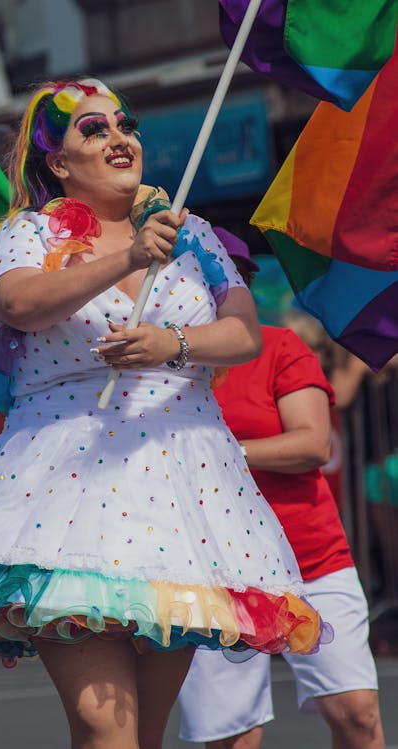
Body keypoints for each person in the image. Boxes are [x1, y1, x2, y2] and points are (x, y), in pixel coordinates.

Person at [0, 80, 323, 749]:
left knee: (142, 735)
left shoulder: (197, 236)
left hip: (184, 490)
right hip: (66, 490)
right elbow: (18, 304)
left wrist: (173, 344)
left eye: (124, 125)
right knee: (105, 728)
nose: (119, 137)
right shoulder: (30, 234)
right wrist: (129, 256)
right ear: (59, 164)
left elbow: (244, 333)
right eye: (93, 129)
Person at [178, 227, 385, 749]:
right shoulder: (161, 364)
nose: (210, 291)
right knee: (232, 740)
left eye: (226, 280)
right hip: (208, 570)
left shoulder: (278, 347)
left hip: (309, 559)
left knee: (357, 716)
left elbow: (311, 445)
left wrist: (222, 455)